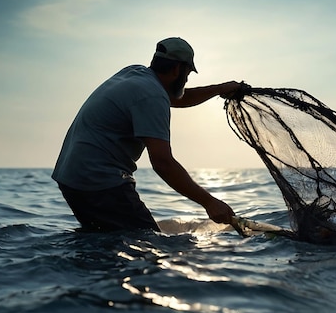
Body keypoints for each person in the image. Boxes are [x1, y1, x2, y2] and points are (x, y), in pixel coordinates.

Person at [52, 37, 242, 232]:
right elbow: (163, 163)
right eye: (187, 74)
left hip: (71, 177)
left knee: (104, 242)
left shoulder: (136, 74)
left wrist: (219, 89)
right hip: (99, 180)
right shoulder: (151, 96)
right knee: (148, 244)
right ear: (177, 69)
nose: (186, 80)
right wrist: (209, 202)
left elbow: (177, 98)